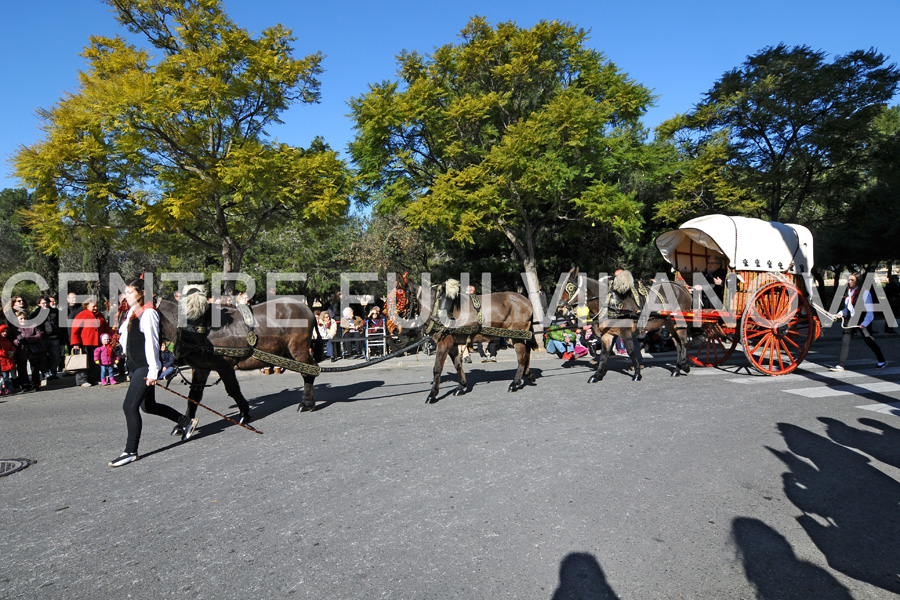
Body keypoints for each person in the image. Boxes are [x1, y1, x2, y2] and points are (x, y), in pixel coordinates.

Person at [108, 278, 198, 468]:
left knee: (129, 407)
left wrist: (154, 370)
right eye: (125, 292)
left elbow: (152, 343)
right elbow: (125, 337)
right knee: (148, 407)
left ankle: (130, 451)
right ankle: (185, 421)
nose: (126, 296)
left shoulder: (148, 313)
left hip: (144, 366)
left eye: (131, 292)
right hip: (134, 365)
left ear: (142, 293)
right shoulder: (132, 312)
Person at [830, 271, 886, 372]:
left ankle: (881, 360)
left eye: (852, 280)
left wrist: (864, 324)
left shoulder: (865, 293)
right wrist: (840, 314)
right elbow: (848, 308)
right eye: (849, 279)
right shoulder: (849, 292)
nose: (849, 281)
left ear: (858, 281)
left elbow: (870, 311)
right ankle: (841, 365)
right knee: (845, 341)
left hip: (862, 320)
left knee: (869, 341)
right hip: (851, 319)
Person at [70, 297, 111, 387]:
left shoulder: (100, 316)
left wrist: (108, 338)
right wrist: (76, 343)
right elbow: (75, 330)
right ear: (87, 306)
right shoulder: (82, 315)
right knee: (83, 362)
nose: (95, 308)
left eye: (96, 306)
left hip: (97, 343)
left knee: (95, 362)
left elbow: (106, 328)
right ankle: (82, 380)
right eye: (93, 306)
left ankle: (95, 379)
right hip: (84, 343)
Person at [32, 296, 62, 380]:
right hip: (42, 339)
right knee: (43, 358)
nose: (45, 305)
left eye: (47, 303)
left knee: (55, 357)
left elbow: (60, 325)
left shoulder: (55, 312)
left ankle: (53, 373)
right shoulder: (35, 314)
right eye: (43, 303)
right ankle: (45, 373)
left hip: (54, 338)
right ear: (39, 304)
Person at [14, 311, 44, 392]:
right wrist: (17, 341)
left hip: (33, 350)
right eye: (21, 319)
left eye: (25, 318)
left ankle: (35, 384)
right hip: (21, 350)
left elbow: (39, 335)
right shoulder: (15, 328)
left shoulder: (33, 325)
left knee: (34, 368)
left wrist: (28, 339)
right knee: (22, 368)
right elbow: (12, 339)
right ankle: (25, 384)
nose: (23, 320)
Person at [0, 324, 18, 395]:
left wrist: (13, 351)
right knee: (4, 377)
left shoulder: (7, 340)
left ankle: (10, 388)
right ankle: (4, 389)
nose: (5, 333)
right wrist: (7, 353)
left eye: (6, 332)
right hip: (3, 361)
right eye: (3, 332)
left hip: (9, 360)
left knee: (12, 375)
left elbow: (12, 347)